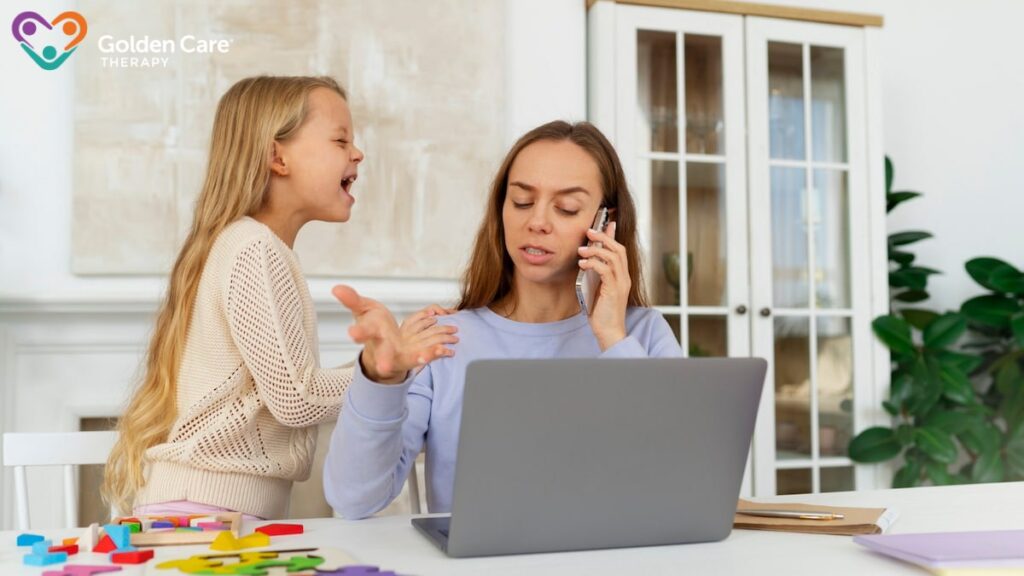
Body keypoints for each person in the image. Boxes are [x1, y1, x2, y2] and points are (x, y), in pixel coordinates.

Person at [102, 76, 457, 520]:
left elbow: (290, 388)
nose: (357, 153)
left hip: (212, 509)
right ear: (277, 156)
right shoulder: (254, 248)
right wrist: (383, 367)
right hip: (209, 514)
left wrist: (386, 357)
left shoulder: (249, 245)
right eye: (340, 140)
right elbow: (296, 399)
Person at [325, 120, 682, 519]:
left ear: (604, 224)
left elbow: (675, 484)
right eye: (522, 202)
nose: (537, 222)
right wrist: (379, 379)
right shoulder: (445, 340)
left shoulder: (642, 335)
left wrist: (613, 337)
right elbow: (353, 499)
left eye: (566, 208)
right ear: (501, 209)